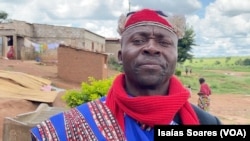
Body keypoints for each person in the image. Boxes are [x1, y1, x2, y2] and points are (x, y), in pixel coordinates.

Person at [30, 8, 221, 141]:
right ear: (120, 56)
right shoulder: (71, 127)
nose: (151, 48)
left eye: (164, 42)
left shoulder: (207, 124)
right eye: (138, 40)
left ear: (176, 57)